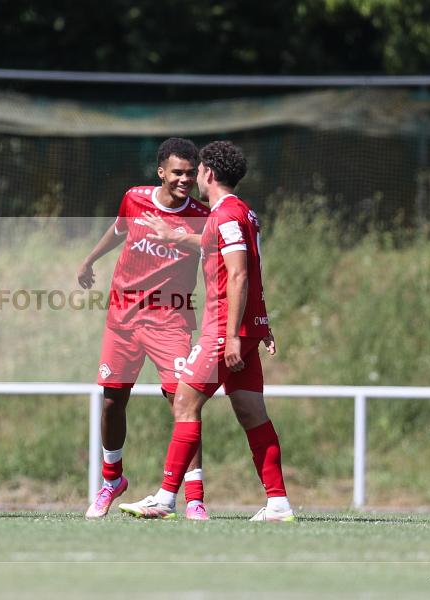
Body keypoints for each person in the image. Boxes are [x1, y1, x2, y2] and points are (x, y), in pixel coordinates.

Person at [118, 141, 294, 522]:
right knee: (251, 412)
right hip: (247, 327)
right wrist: (177, 236)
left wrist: (230, 336)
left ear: (208, 174)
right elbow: (230, 253)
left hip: (225, 328)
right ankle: (278, 503)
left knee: (184, 403)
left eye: (197, 170)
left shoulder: (225, 216)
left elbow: (240, 272)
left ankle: (165, 498)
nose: (193, 176)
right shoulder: (240, 212)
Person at [77, 138, 211, 520]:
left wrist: (180, 238)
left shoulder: (201, 215)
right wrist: (90, 259)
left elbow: (221, 245)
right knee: (111, 400)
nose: (184, 180)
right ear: (161, 172)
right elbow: (119, 230)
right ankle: (111, 480)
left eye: (190, 173)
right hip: (122, 318)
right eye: (177, 173)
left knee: (184, 403)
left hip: (170, 320)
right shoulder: (135, 198)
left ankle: (195, 496)